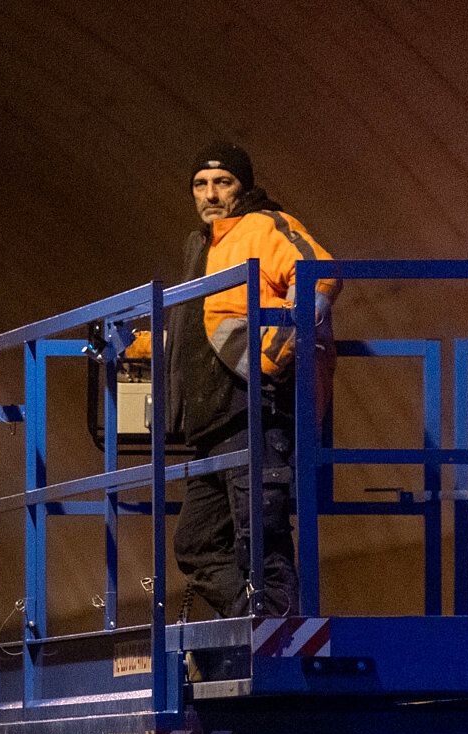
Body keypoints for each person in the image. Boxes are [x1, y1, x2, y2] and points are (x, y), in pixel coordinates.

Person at [128, 143, 338, 620]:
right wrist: (139, 347)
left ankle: (279, 641)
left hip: (253, 414)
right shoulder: (201, 245)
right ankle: (258, 624)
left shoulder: (262, 226)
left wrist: (274, 354)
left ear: (242, 187)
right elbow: (197, 325)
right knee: (197, 543)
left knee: (260, 538)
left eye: (222, 183)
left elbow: (318, 273)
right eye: (201, 185)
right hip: (212, 426)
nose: (211, 194)